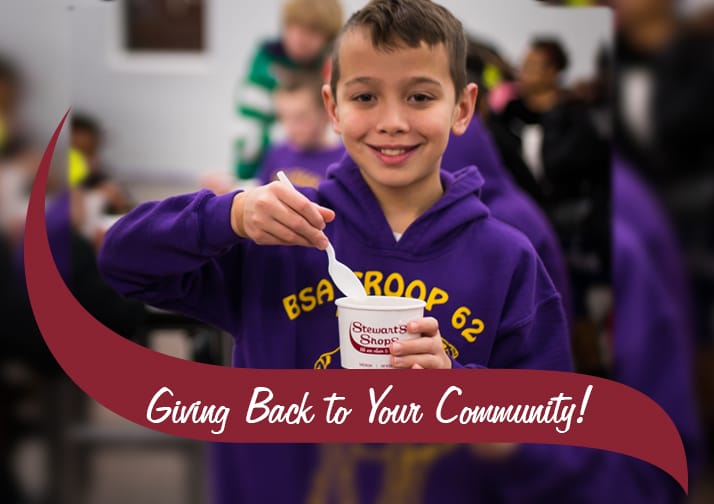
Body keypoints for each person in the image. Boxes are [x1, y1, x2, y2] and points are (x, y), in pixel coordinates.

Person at [99, 1, 571, 501]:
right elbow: (123, 262)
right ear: (333, 108)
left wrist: (461, 399)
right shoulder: (276, 236)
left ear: (462, 109)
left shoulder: (508, 261)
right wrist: (229, 215)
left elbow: (556, 443)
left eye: (419, 96)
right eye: (365, 96)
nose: (392, 121)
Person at [233, 0, 343, 180]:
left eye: (311, 31)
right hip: (275, 163)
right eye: (292, 27)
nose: (299, 39)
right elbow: (249, 129)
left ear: (329, 36)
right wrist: (241, 181)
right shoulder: (267, 65)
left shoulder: (336, 64)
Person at [257, 72, 344, 188]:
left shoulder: (344, 160)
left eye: (300, 117)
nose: (291, 127)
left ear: (326, 114)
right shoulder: (277, 155)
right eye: (284, 117)